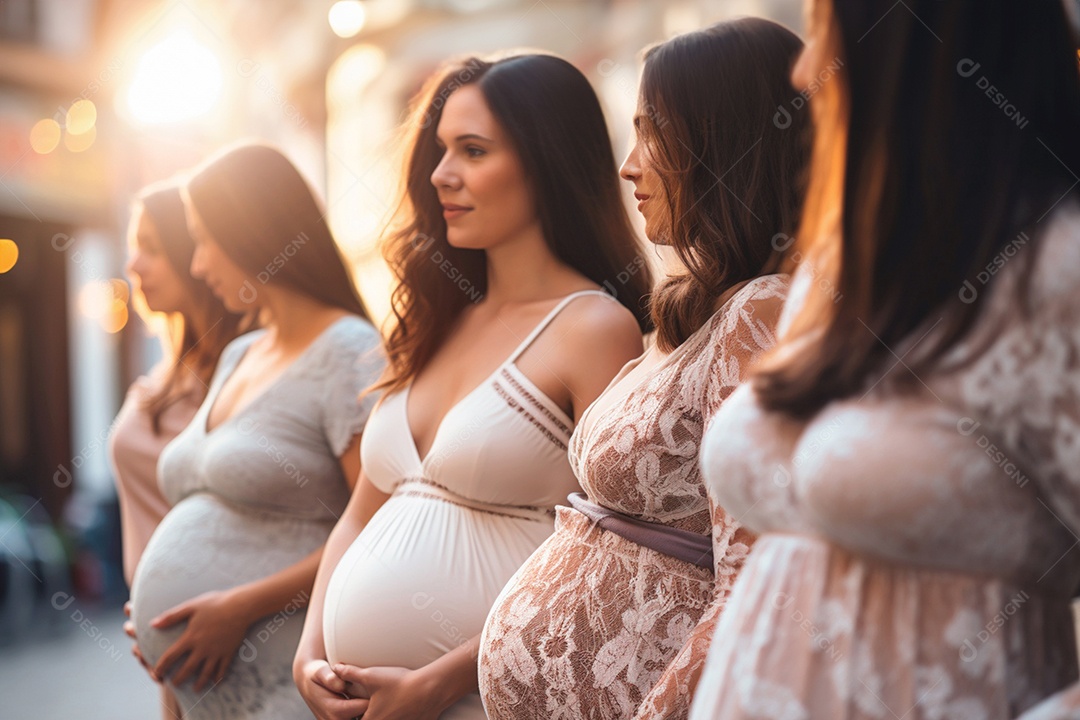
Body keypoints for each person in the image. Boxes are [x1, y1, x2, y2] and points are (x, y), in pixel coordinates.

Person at [690, 1, 1080, 718]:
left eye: (823, 37)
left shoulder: (1054, 273)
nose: (806, 74)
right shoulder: (846, 263)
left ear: (912, 60)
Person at [292, 53, 653, 720]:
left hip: (490, 700)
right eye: (440, 150)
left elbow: (612, 556)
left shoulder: (594, 328)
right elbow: (360, 512)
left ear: (546, 162)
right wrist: (309, 651)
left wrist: (442, 681)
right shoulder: (436, 319)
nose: (441, 174)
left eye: (473, 150)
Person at [477, 18, 808, 720]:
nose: (630, 166)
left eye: (652, 134)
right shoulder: (695, 313)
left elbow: (758, 579)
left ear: (724, 145)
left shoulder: (762, 312)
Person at [128, 143, 384, 719]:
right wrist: (159, 616)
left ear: (252, 230)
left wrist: (241, 606)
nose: (197, 265)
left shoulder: (349, 351)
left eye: (204, 239)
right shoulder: (240, 353)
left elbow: (379, 529)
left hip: (288, 685)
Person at [109, 180, 249, 718]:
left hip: (237, 640)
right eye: (132, 245)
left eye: (152, 247)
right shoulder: (162, 377)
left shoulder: (246, 372)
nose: (134, 263)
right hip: (170, 655)